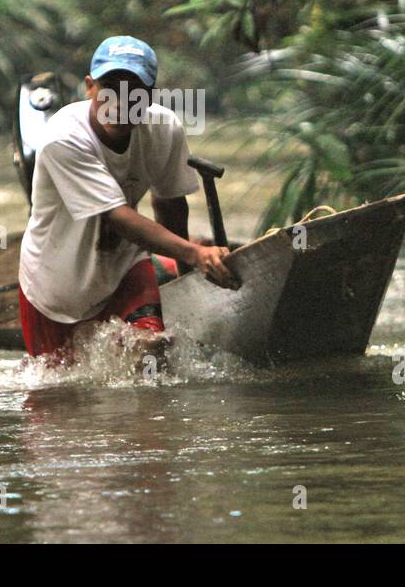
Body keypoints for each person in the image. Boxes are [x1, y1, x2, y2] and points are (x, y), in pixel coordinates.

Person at [17, 36, 240, 363]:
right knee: (59, 396)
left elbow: (170, 206)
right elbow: (118, 217)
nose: (121, 101)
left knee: (151, 351)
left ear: (150, 95)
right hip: (55, 286)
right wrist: (195, 253)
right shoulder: (63, 138)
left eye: (134, 91)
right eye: (110, 87)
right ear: (90, 87)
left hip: (124, 266)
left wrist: (187, 281)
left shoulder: (165, 129)